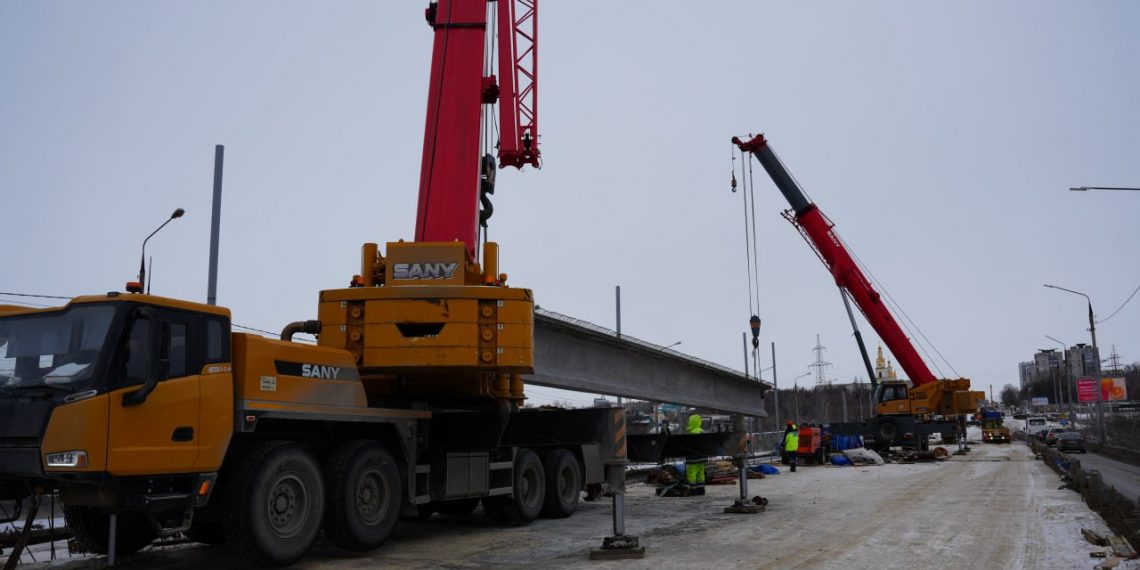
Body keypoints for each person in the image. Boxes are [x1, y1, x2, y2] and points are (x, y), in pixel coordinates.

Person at [685, 414, 706, 493]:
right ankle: (701, 489)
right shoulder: (702, 431)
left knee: (691, 472)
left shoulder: (692, 433)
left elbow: (688, 445)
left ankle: (693, 489)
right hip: (702, 457)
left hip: (693, 457)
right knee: (701, 473)